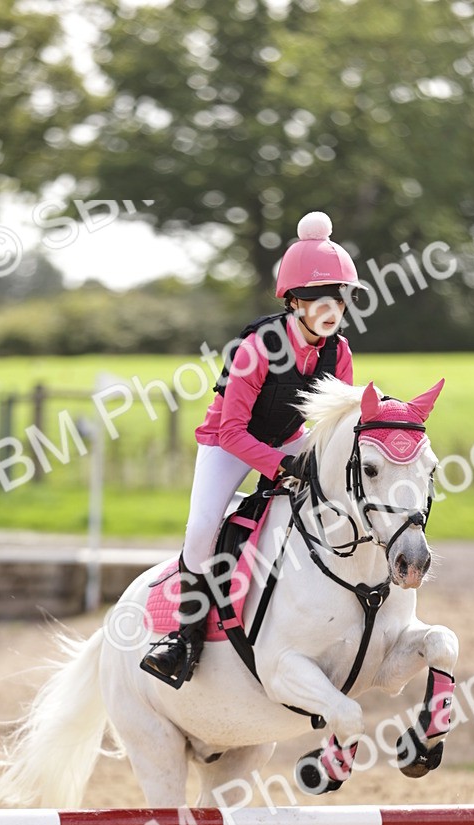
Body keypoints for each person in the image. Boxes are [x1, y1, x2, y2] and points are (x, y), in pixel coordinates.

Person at [141, 210, 365, 687]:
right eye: (319, 299)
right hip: (227, 444)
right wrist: (282, 466)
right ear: (294, 302)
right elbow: (231, 432)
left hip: (286, 439)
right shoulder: (257, 349)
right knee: (202, 528)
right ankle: (182, 640)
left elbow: (333, 425)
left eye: (338, 299)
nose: (331, 310)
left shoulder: (339, 352)